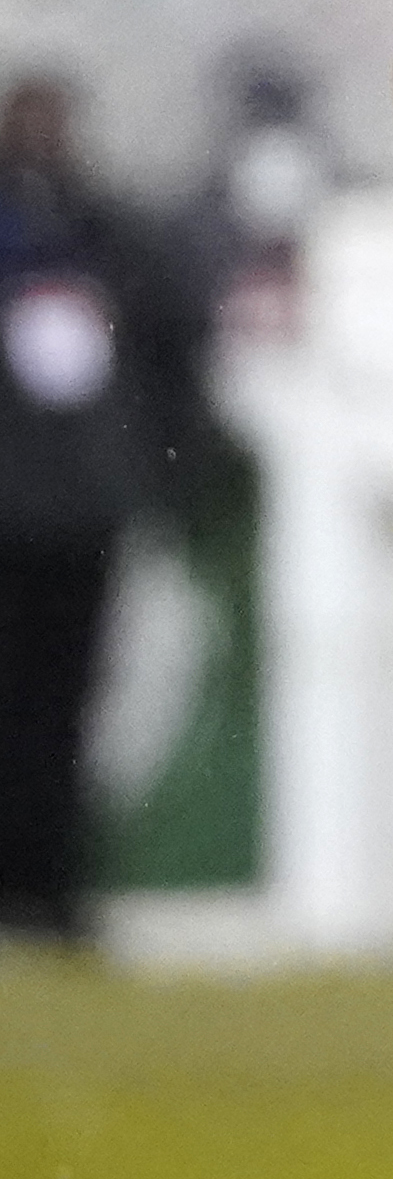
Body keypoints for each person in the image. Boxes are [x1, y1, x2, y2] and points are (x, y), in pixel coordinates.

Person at [0, 73, 215, 943]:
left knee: (67, 707)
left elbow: (173, 353)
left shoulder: (109, 234)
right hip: (28, 505)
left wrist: (165, 475)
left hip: (79, 515)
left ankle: (51, 886)